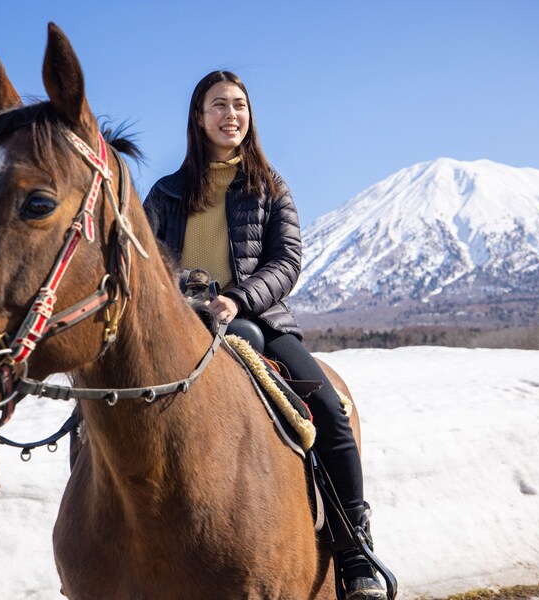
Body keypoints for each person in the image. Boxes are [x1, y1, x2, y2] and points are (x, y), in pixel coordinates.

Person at [143, 71, 388, 600]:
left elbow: (287, 261)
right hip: (179, 326)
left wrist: (238, 298)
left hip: (260, 321)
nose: (231, 115)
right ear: (197, 116)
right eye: (218, 105)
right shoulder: (164, 194)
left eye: (239, 105)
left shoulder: (269, 187)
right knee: (96, 417)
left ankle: (354, 550)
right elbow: (145, 264)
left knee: (330, 411)